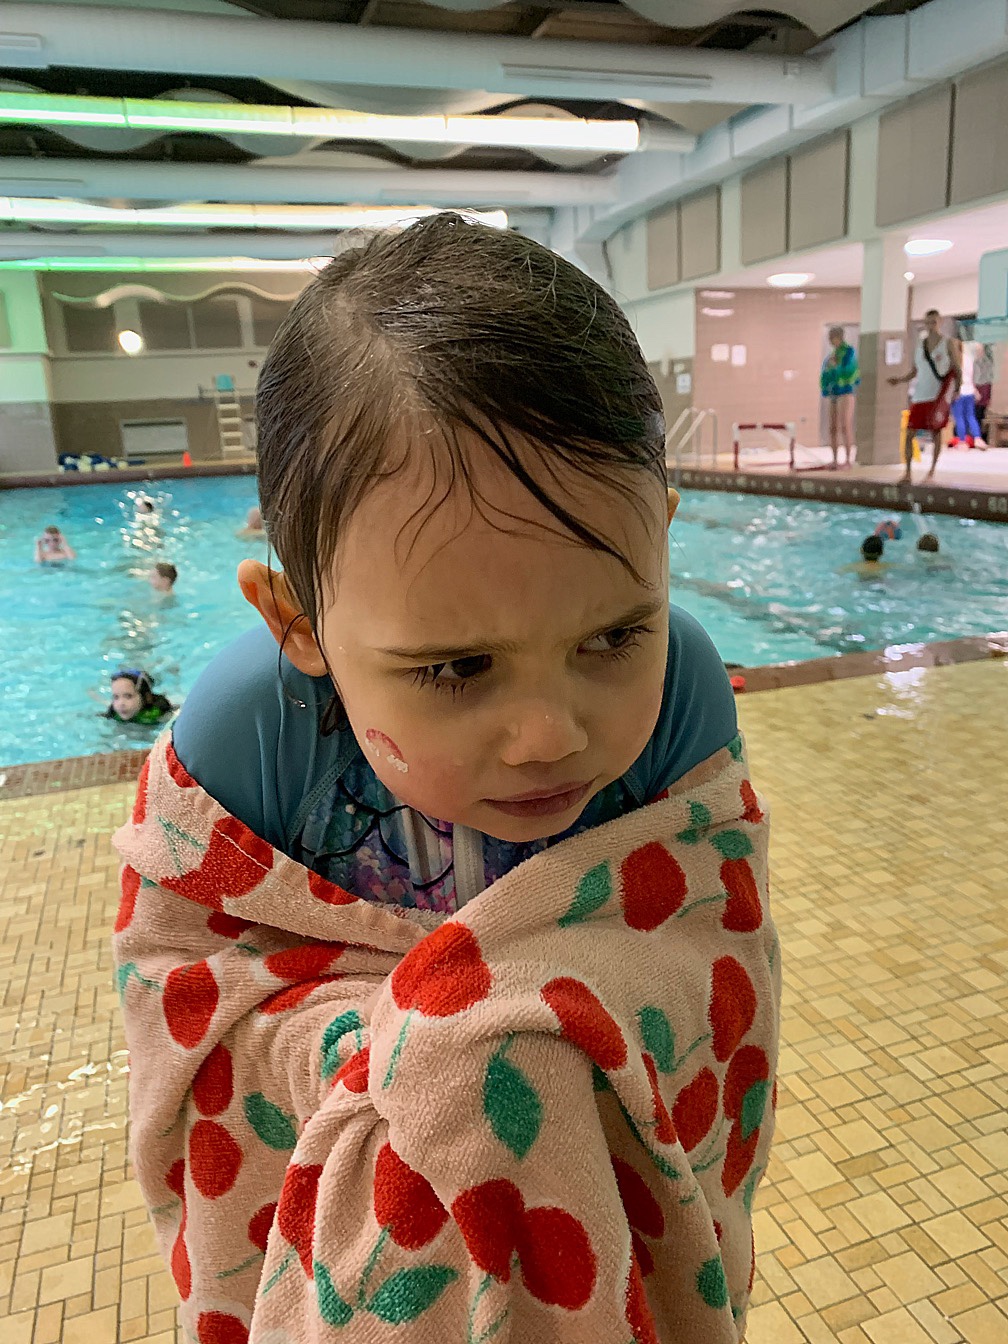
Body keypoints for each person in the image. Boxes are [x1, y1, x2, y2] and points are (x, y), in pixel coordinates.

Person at [111, 215, 779, 1342]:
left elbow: (719, 999)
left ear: (662, 543)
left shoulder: (681, 700)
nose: (548, 736)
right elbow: (189, 1022)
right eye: (457, 668)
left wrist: (476, 1042)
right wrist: (447, 1051)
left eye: (615, 635)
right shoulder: (250, 742)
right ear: (297, 622)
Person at [888, 309, 961, 485]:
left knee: (936, 433)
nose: (930, 326)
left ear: (940, 322)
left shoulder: (947, 343)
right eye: (927, 323)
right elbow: (915, 370)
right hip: (920, 395)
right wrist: (900, 380)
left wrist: (956, 390)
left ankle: (931, 471)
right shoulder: (920, 345)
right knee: (909, 433)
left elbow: (957, 369)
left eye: (933, 322)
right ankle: (907, 473)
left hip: (938, 395)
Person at [820, 325, 860, 467]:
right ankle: (835, 459)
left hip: (846, 391)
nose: (831, 341)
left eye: (833, 338)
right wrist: (825, 388)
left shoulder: (849, 352)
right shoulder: (831, 355)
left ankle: (848, 460)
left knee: (845, 425)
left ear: (839, 338)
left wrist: (836, 367)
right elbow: (825, 374)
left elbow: (851, 372)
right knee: (832, 427)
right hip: (834, 392)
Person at [950, 336, 987, 449]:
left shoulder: (952, 361)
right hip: (970, 391)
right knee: (971, 416)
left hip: (958, 393)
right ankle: (978, 439)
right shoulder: (968, 359)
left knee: (959, 418)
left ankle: (962, 441)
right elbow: (971, 376)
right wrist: (975, 390)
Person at [103, 668, 175, 724]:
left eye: (128, 696)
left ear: (147, 697)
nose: (121, 703)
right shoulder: (113, 714)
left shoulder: (160, 713)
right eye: (116, 697)